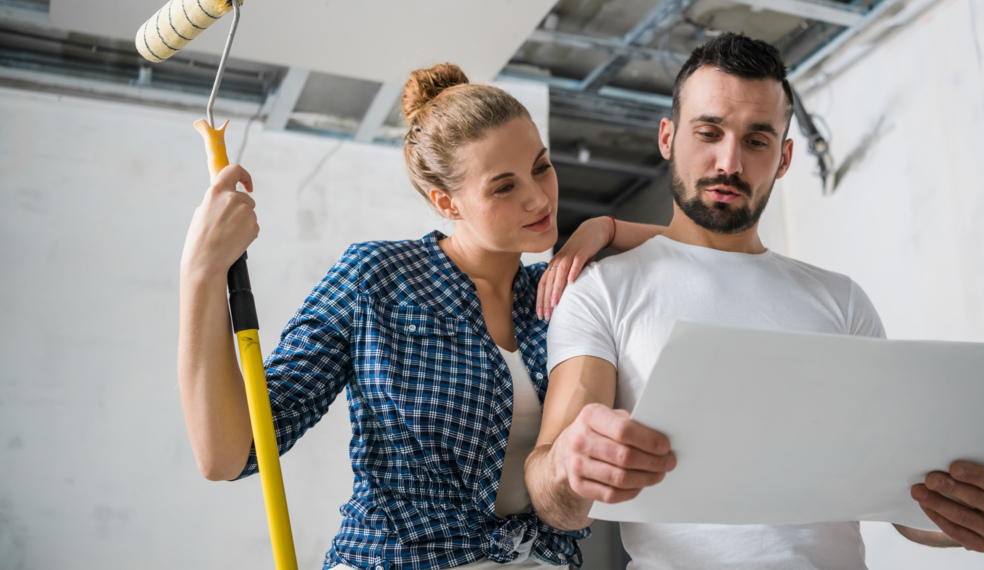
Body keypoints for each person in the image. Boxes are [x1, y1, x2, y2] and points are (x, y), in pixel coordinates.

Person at [524, 33, 984, 569]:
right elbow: (554, 496)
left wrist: (960, 516)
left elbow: (900, 501)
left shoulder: (840, 300)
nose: (729, 162)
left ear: (785, 157)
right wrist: (566, 469)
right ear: (667, 137)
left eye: (757, 140)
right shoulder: (603, 290)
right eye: (709, 132)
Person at [177, 62, 664, 570]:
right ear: (445, 202)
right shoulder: (376, 279)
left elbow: (707, 251)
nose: (539, 197)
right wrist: (201, 274)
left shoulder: (562, 296)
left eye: (541, 167)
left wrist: (605, 228)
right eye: (503, 187)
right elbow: (231, 454)